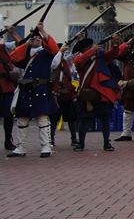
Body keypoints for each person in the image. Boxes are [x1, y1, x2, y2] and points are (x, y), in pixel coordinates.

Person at [8, 23, 59, 158]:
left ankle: (46, 146)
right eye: (34, 38)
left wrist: (42, 30)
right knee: (22, 119)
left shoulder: (46, 53)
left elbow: (54, 48)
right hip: (26, 89)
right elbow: (13, 57)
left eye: (38, 38)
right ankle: (20, 147)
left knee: (43, 118)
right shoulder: (25, 53)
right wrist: (26, 43)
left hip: (40, 89)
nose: (36, 40)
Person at [73, 38, 123, 152]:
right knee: (85, 120)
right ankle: (81, 143)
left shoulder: (100, 56)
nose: (92, 48)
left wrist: (115, 43)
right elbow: (78, 62)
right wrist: (92, 51)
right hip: (88, 95)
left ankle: (106, 143)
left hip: (102, 93)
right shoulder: (81, 58)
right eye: (89, 48)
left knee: (105, 119)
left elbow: (113, 55)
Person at [50, 41, 79, 148]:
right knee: (53, 118)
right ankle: (51, 139)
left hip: (67, 93)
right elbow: (54, 63)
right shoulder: (53, 62)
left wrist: (79, 40)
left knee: (71, 118)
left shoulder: (65, 61)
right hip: (56, 93)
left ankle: (74, 139)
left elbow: (74, 56)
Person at [0, 29, 20, 151]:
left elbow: (19, 44)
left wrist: (13, 33)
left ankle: (8, 140)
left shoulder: (3, 48)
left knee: (8, 117)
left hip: (6, 87)